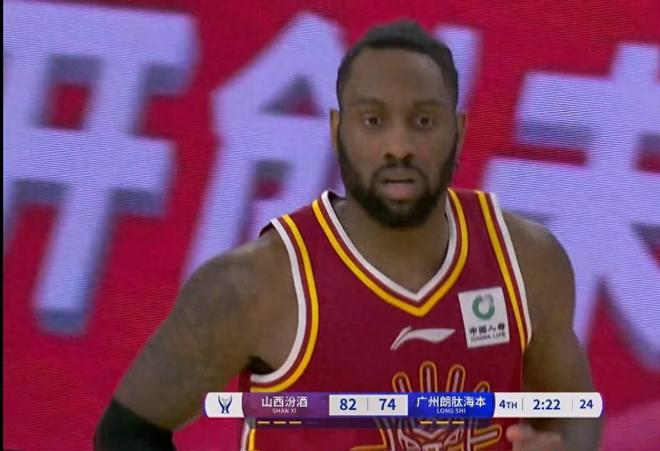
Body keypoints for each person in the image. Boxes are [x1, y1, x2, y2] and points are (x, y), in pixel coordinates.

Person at [95, 20, 602, 451]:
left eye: (423, 120)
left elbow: (573, 412)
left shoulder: (526, 259)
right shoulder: (255, 284)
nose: (398, 146)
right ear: (338, 130)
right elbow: (127, 432)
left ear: (459, 130)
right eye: (373, 120)